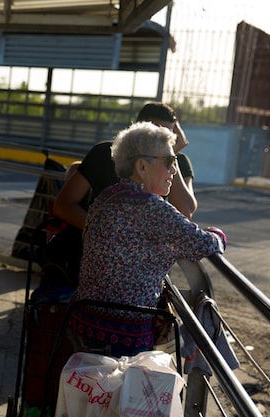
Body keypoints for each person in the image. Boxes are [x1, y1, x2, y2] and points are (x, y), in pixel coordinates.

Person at [69, 121, 226, 357]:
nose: (174, 170)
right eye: (170, 162)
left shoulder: (107, 196)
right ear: (142, 166)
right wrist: (219, 236)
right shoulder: (150, 206)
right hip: (123, 337)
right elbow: (202, 243)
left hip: (84, 322)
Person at [53, 101, 197, 231]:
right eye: (156, 133)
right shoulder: (105, 153)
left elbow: (185, 211)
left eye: (168, 135)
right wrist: (104, 232)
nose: (163, 140)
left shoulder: (179, 162)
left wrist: (171, 157)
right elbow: (63, 205)